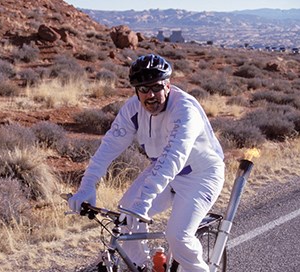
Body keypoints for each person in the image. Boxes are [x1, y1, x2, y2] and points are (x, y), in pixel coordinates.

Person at [68, 54, 225, 272]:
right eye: (143, 89)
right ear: (135, 91)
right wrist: (87, 184)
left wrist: (145, 199)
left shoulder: (185, 110)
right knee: (125, 220)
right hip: (162, 171)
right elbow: (109, 146)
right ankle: (143, 267)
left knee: (178, 237)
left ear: (168, 85)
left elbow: (174, 156)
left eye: (156, 87)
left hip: (200, 175)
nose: (150, 95)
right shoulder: (133, 109)